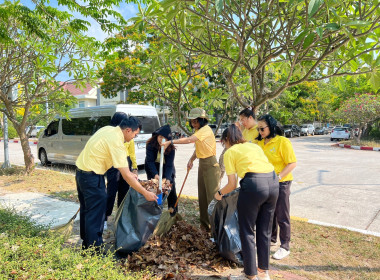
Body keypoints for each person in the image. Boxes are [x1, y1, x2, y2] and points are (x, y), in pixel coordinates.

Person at [75, 115, 157, 251]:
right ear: (128, 130)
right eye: (135, 135)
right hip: (92, 177)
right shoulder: (117, 142)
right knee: (96, 214)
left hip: (82, 173)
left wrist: (131, 173)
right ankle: (94, 251)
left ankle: (87, 245)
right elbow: (126, 176)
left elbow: (125, 171)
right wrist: (145, 193)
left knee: (87, 211)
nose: (133, 138)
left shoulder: (108, 129)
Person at [214, 124, 278, 280]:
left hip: (254, 185)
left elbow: (231, 184)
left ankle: (250, 275)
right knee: (264, 230)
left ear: (227, 140)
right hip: (273, 182)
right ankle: (264, 273)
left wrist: (219, 194)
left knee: (247, 230)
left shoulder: (230, 152)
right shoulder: (253, 146)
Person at [161, 108, 220, 230]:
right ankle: (205, 227)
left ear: (202, 120)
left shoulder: (205, 130)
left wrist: (170, 142)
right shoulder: (199, 131)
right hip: (202, 164)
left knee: (212, 198)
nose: (193, 124)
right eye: (192, 122)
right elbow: (198, 147)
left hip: (211, 165)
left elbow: (189, 140)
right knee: (202, 197)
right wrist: (192, 159)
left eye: (195, 122)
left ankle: (216, 230)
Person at [256, 114, 297, 260]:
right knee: (268, 213)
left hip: (281, 182)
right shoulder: (260, 143)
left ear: (271, 127)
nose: (260, 131)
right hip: (265, 181)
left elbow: (292, 163)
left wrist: (278, 177)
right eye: (258, 129)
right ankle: (271, 239)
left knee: (282, 214)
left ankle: (285, 246)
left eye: (262, 128)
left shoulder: (282, 142)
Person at [105, 112, 138, 230]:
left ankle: (120, 216)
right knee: (111, 191)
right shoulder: (112, 135)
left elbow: (132, 153)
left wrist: (134, 167)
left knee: (124, 191)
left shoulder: (129, 135)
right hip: (113, 164)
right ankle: (106, 217)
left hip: (125, 161)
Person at [145, 124, 178, 214]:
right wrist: (155, 174)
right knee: (154, 188)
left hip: (166, 167)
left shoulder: (171, 148)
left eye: (164, 138)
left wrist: (167, 178)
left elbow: (169, 165)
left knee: (171, 188)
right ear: (156, 136)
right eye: (160, 137)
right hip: (152, 166)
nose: (161, 139)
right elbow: (150, 161)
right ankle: (154, 212)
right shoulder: (150, 145)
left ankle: (173, 213)